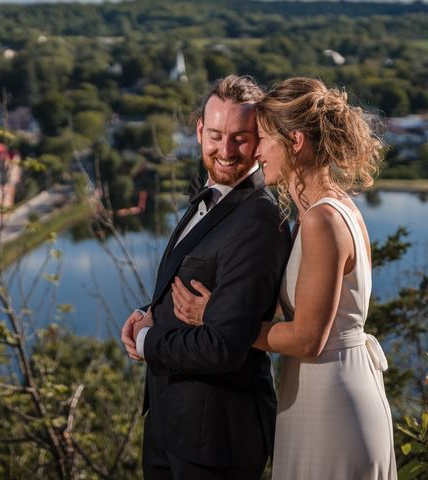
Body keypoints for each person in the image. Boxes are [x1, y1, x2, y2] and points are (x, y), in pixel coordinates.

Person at [173, 77, 397, 479]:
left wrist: (216, 320)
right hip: (316, 389)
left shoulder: (322, 220)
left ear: (294, 142)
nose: (255, 151)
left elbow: (308, 339)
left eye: (262, 139)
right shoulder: (322, 211)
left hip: (330, 399)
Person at [120, 75, 291, 479]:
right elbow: (191, 280)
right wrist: (149, 312)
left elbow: (222, 346)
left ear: (261, 140)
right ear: (199, 130)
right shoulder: (212, 196)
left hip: (216, 438)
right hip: (170, 423)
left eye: (240, 138)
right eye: (215, 135)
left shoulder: (259, 219)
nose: (226, 150)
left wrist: (146, 339)